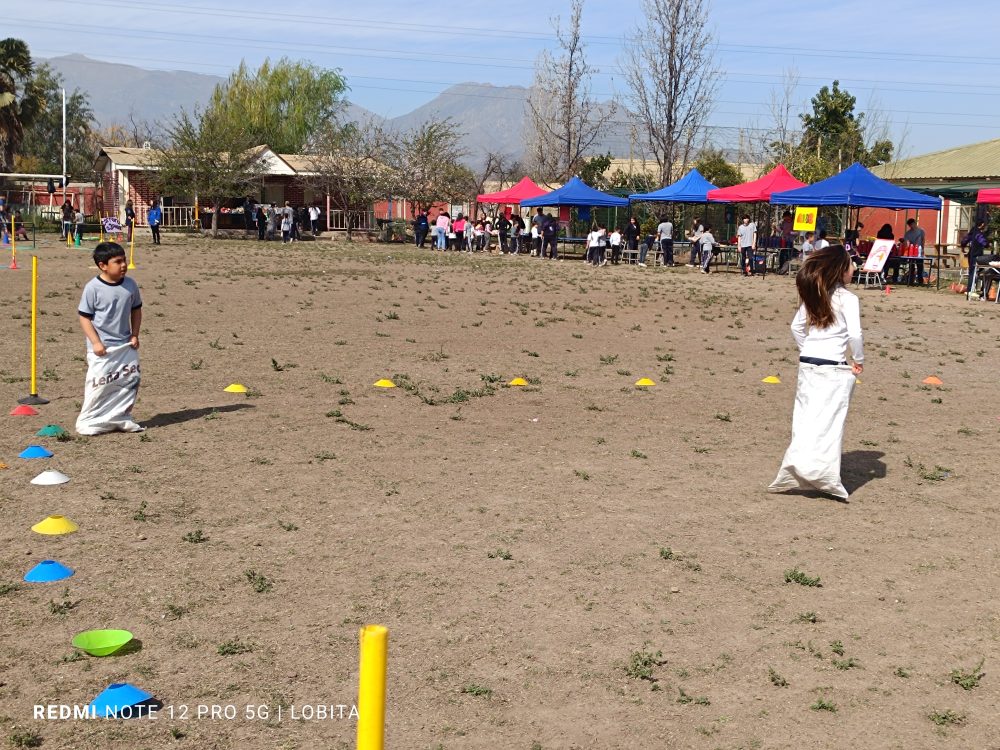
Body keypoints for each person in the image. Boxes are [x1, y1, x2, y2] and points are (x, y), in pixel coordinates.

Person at [768, 246, 863, 500]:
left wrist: (806, 348)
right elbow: (855, 334)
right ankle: (824, 477)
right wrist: (859, 359)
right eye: (852, 264)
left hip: (808, 363)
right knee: (829, 422)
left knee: (806, 419)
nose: (855, 268)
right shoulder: (848, 299)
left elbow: (796, 326)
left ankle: (796, 470)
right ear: (842, 270)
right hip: (833, 365)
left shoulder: (817, 294)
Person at [75, 242, 144, 435]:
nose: (124, 265)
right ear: (102, 265)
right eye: (118, 261)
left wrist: (135, 334)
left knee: (130, 380)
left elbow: (136, 310)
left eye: (124, 260)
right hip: (102, 349)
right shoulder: (93, 288)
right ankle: (90, 421)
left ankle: (121, 417)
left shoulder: (130, 285)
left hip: (125, 345)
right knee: (100, 384)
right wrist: (96, 342)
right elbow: (84, 317)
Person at [961, 220, 990, 292]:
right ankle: (972, 289)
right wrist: (988, 244)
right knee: (980, 271)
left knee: (972, 272)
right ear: (981, 225)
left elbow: (963, 241)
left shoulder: (972, 232)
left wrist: (963, 248)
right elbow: (984, 243)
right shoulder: (978, 234)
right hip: (977, 256)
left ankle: (970, 288)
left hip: (970, 255)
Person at [902, 217, 926, 286]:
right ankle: (910, 281)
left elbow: (923, 240)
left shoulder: (921, 231)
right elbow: (906, 242)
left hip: (919, 251)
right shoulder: (908, 233)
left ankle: (920, 281)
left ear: (914, 223)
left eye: (912, 224)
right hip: (911, 252)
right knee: (911, 267)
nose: (911, 226)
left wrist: (923, 250)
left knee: (920, 267)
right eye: (910, 225)